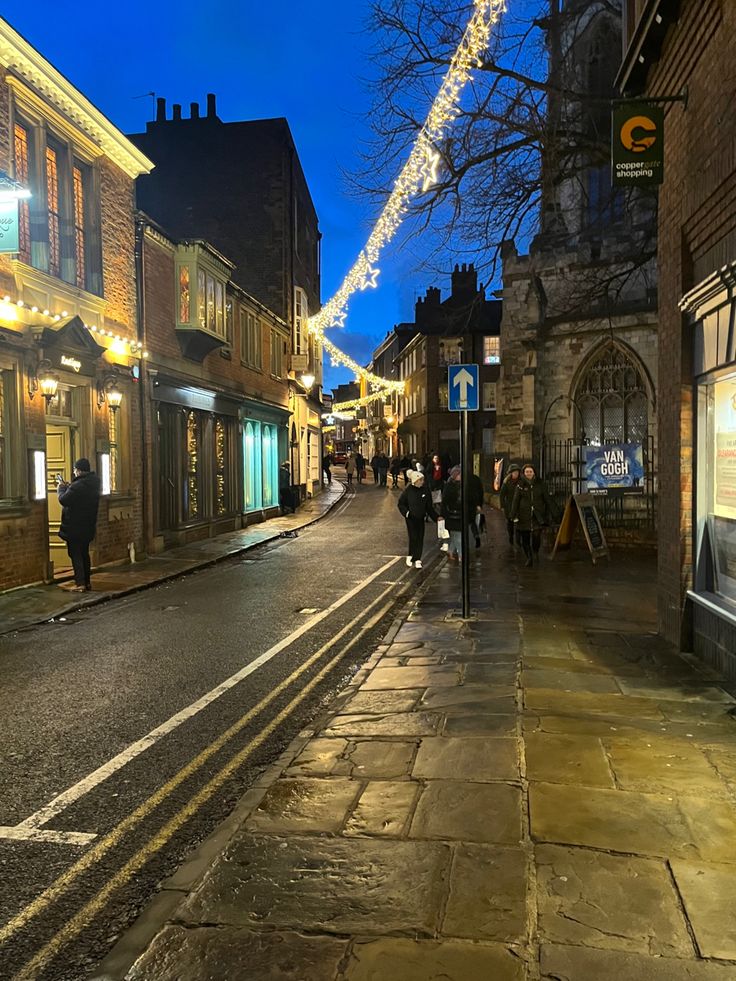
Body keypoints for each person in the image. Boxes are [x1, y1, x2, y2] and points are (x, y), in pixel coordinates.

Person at [56, 458, 101, 592]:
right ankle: (87, 582)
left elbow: (64, 500)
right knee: (84, 554)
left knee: (75, 554)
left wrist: (61, 489)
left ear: (79, 470)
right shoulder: (92, 484)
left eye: (75, 470)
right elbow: (79, 497)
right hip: (87, 526)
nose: (74, 472)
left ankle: (80, 583)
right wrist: (70, 487)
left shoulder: (78, 486)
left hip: (75, 527)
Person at [511, 463, 555, 567]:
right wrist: (513, 515)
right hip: (523, 515)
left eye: (530, 471)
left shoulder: (540, 484)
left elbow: (547, 499)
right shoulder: (520, 485)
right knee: (525, 538)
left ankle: (535, 551)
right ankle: (529, 557)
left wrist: (553, 512)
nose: (529, 473)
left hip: (537, 515)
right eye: (527, 472)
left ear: (534, 472)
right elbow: (515, 500)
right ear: (524, 473)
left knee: (536, 536)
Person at [397, 469, 438, 569]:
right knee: (413, 537)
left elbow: (429, 507)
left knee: (420, 538)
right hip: (411, 519)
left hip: (420, 518)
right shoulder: (408, 490)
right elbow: (401, 504)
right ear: (415, 480)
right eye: (420, 480)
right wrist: (407, 513)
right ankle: (411, 555)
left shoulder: (425, 490)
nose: (422, 482)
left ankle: (417, 559)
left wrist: (437, 518)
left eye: (423, 480)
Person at [441, 466, 466, 563]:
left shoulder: (463, 485)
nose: (461, 476)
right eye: (459, 474)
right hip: (452, 515)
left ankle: (450, 551)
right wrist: (443, 515)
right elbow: (445, 502)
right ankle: (460, 555)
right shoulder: (449, 486)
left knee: (456, 536)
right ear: (455, 475)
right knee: (458, 535)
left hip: (460, 514)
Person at [499, 463, 522, 545]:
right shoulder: (506, 482)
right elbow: (502, 495)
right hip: (509, 506)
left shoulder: (521, 481)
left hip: (519, 506)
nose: (516, 474)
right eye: (514, 472)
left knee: (519, 523)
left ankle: (518, 540)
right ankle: (511, 537)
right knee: (510, 523)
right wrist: (502, 506)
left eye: (517, 472)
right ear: (511, 473)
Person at [467, 469, 485, 548]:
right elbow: (480, 492)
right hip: (474, 504)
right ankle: (476, 536)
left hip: (466, 503)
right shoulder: (476, 479)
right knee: (472, 522)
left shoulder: (462, 479)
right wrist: (479, 504)